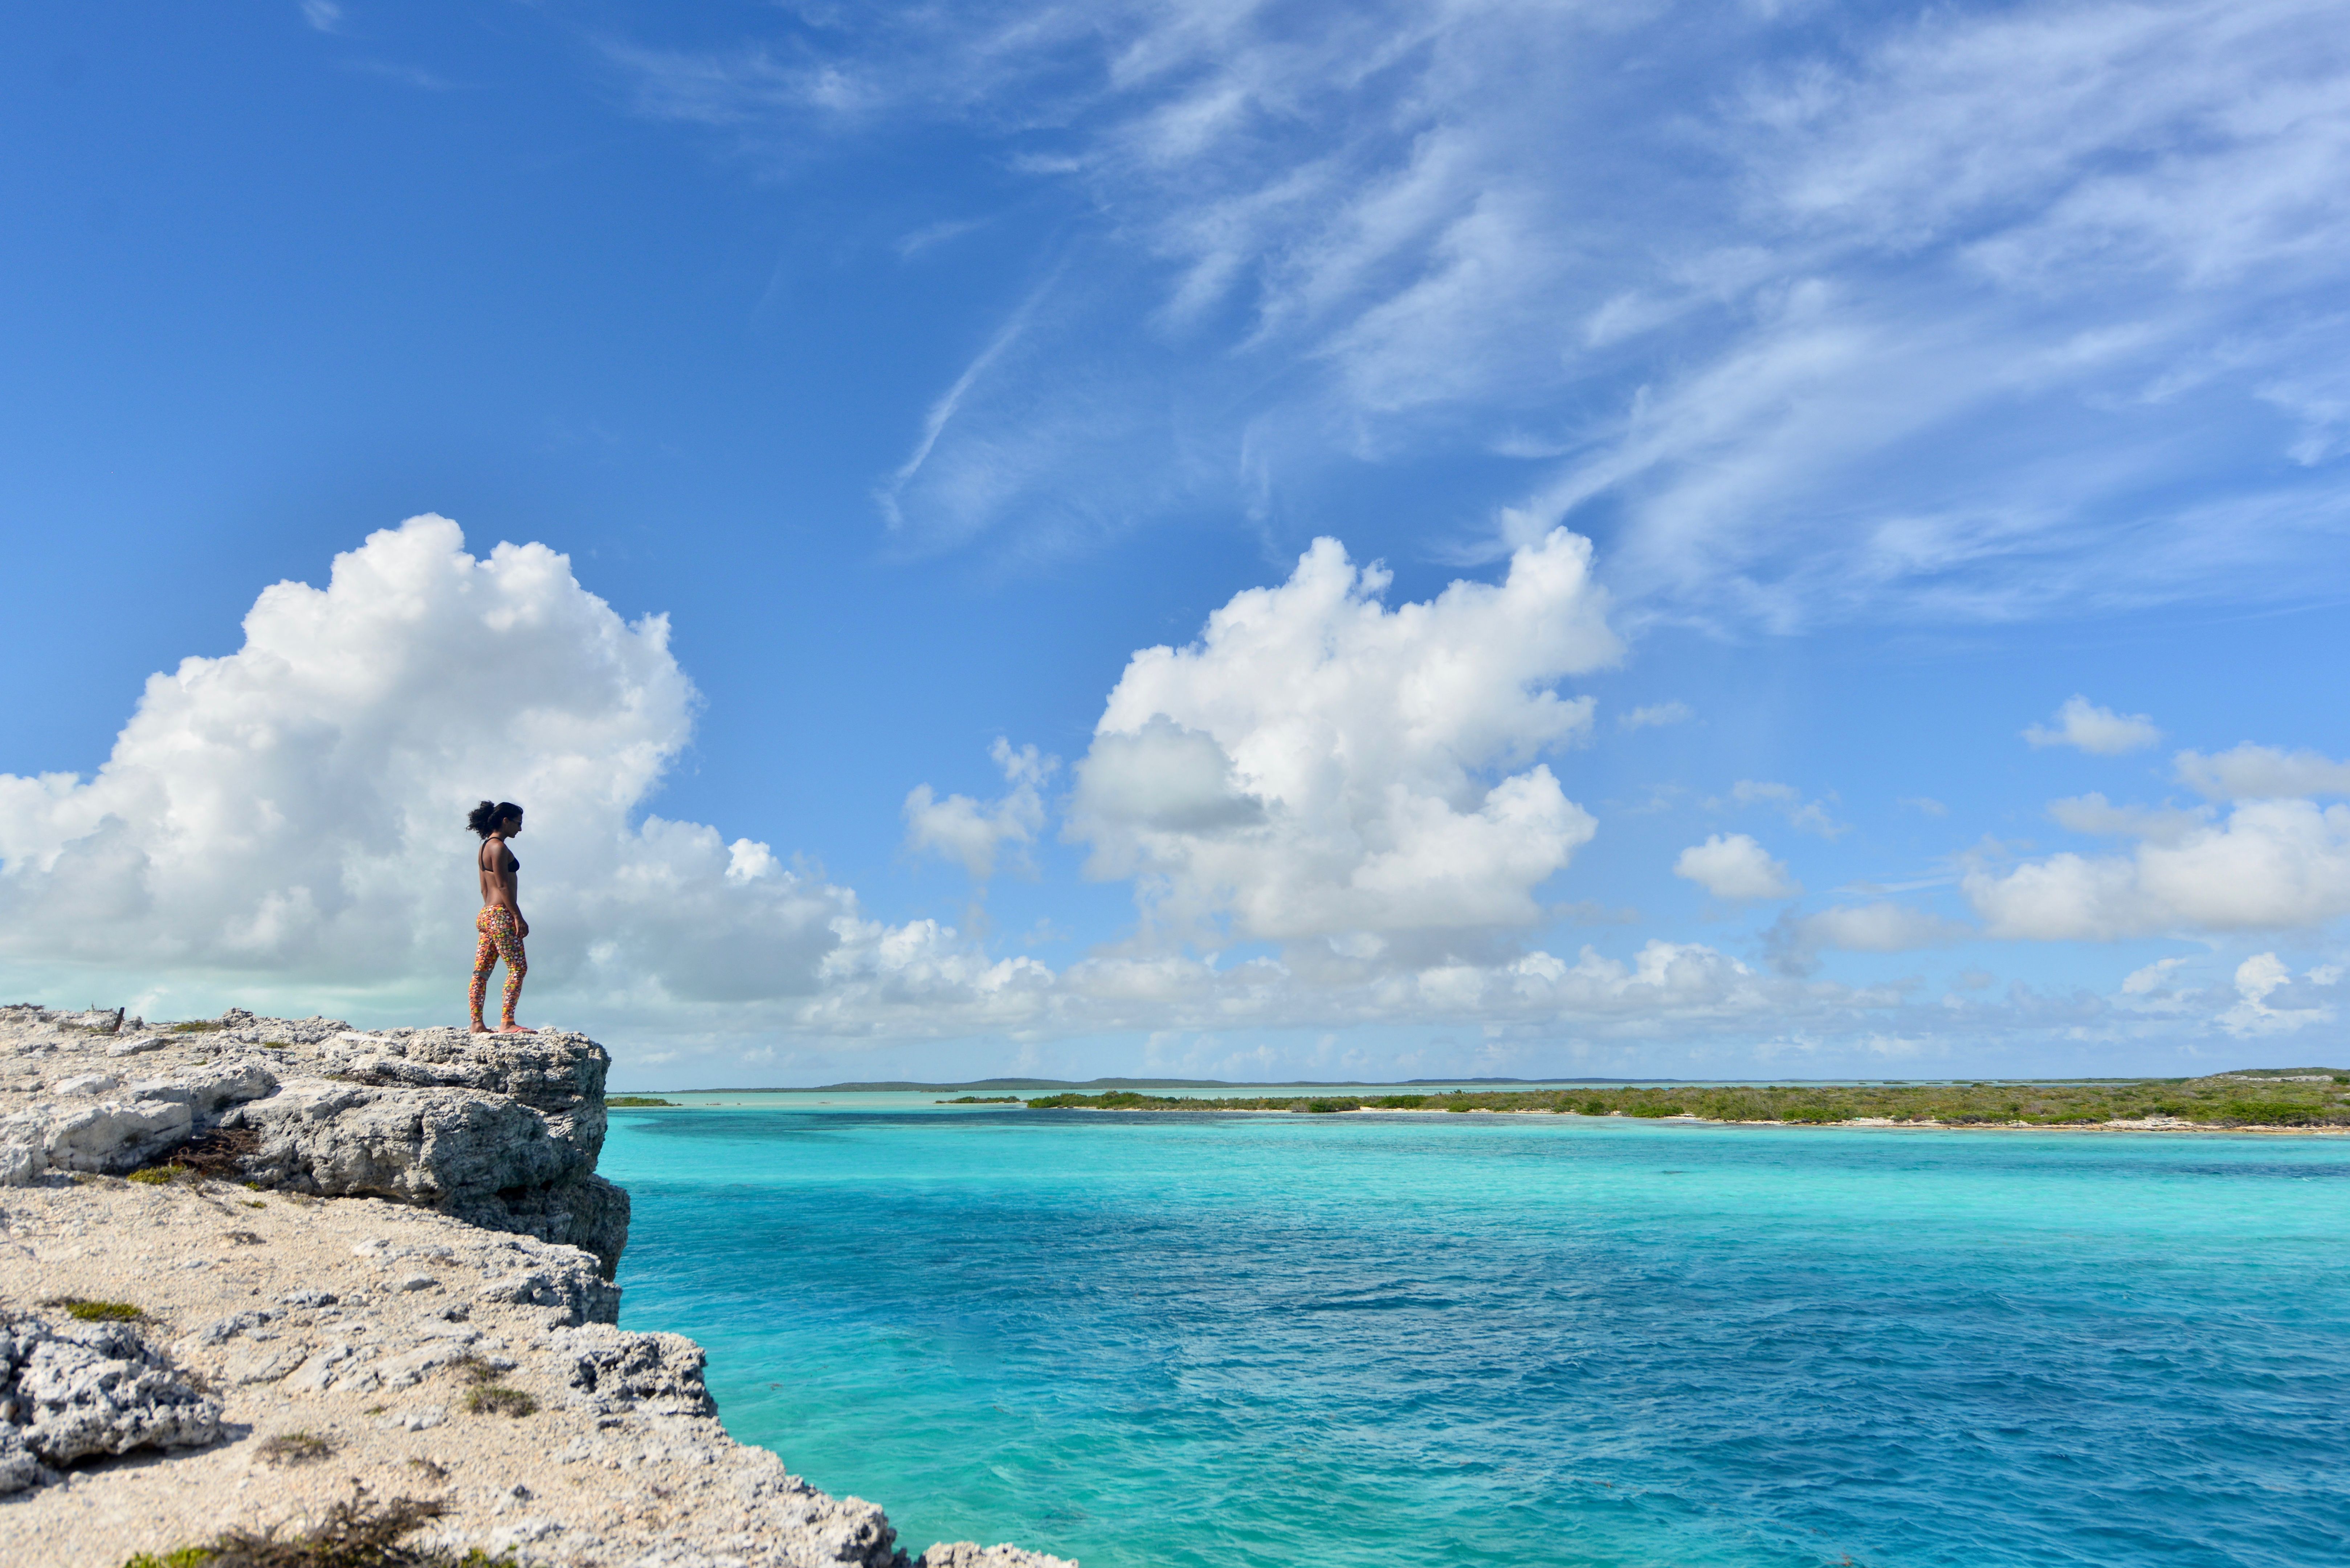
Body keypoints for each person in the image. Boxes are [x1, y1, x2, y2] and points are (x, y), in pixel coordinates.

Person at [466, 800, 535, 1033]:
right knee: (518, 968)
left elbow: (484, 888)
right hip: (501, 914)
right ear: (505, 821)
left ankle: (477, 1024)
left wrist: (490, 912)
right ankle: (507, 1022)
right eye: (518, 823)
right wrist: (517, 916)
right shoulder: (499, 848)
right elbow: (503, 886)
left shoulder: (484, 847)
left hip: (486, 913)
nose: (520, 829)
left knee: (481, 972)